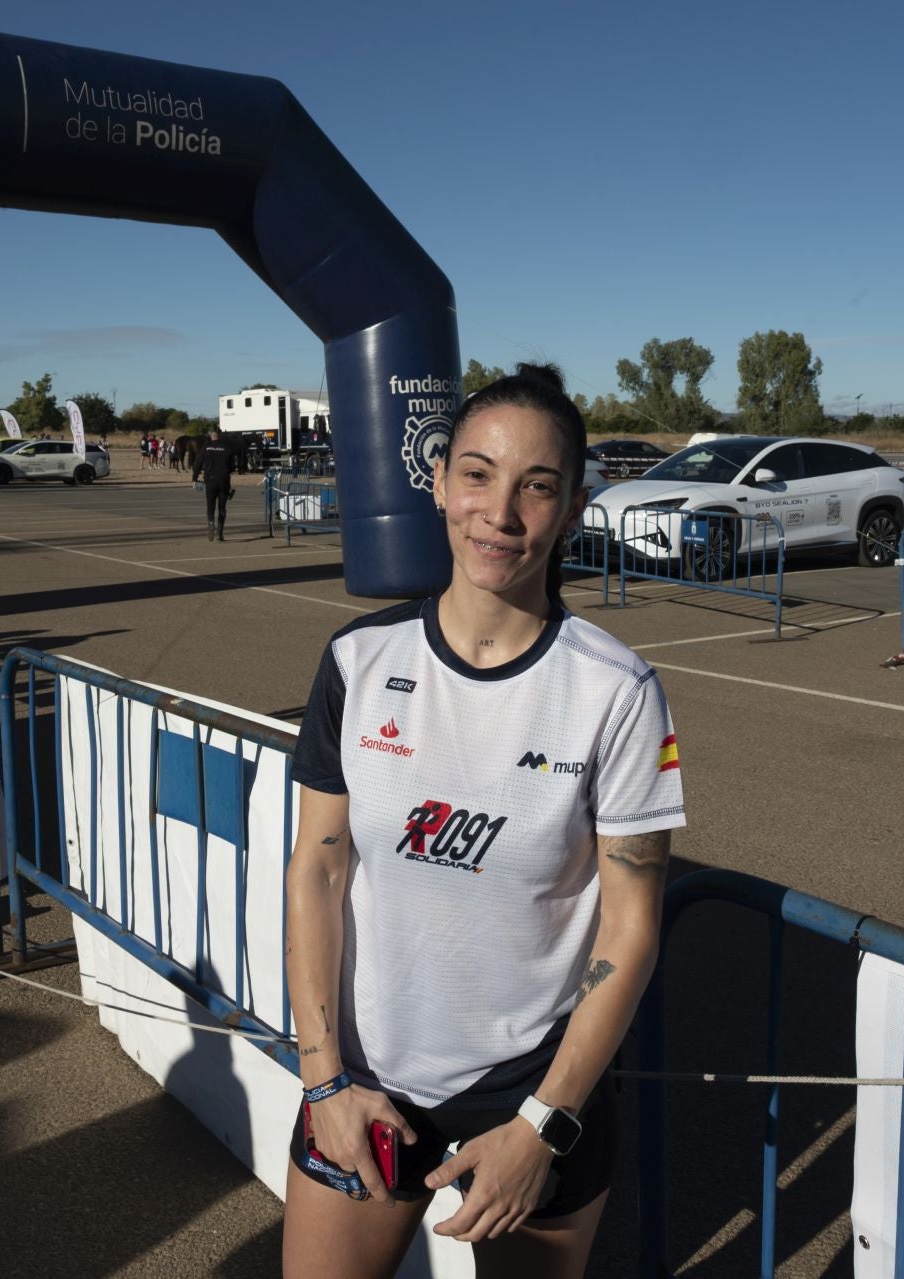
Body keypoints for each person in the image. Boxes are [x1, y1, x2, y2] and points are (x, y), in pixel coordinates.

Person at [282, 364, 684, 1279]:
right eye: (477, 473)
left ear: (574, 507)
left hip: (533, 1097)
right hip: (366, 1085)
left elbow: (630, 930)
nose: (500, 512)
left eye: (536, 486)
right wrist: (325, 1082)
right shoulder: (357, 659)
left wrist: (545, 1126)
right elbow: (318, 870)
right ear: (437, 481)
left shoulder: (617, 692)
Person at [192, 425, 234, 541]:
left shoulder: (206, 447)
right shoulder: (227, 447)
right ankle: (220, 533)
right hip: (224, 480)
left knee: (210, 506)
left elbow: (198, 463)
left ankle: (211, 523)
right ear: (219, 436)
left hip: (210, 479)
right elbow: (232, 467)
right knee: (222, 507)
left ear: (211, 436)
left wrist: (194, 478)